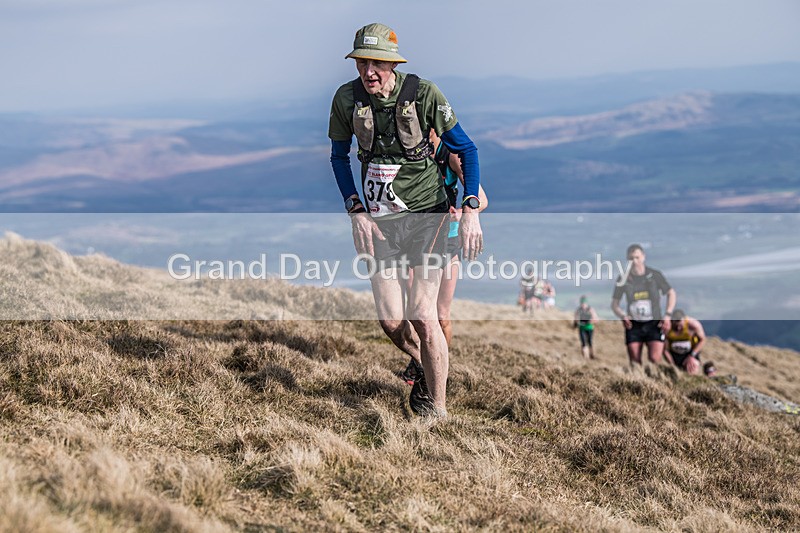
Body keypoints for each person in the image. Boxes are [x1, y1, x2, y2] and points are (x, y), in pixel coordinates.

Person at [328, 23, 483, 417]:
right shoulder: (346, 100)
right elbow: (338, 157)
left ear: (392, 63)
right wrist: (356, 210)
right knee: (390, 319)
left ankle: (439, 410)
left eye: (377, 62)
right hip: (380, 222)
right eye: (363, 62)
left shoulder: (425, 94)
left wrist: (469, 212)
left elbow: (467, 149)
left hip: (429, 217)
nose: (369, 71)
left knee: (424, 312)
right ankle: (424, 362)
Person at [401, 130, 488, 384]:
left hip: (448, 241)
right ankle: (420, 363)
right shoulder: (409, 151)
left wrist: (461, 214)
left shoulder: (450, 156)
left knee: (441, 314)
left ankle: (438, 372)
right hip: (416, 238)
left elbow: (481, 199)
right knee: (414, 309)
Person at [611, 244, 676, 368]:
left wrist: (668, 315)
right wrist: (623, 316)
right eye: (631, 259)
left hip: (654, 323)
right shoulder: (623, 278)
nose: (634, 261)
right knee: (635, 363)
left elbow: (671, 293)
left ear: (643, 257)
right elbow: (614, 304)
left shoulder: (655, 275)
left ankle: (657, 384)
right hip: (634, 325)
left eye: (637, 257)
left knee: (654, 359)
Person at [665, 309, 706, 375]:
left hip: (690, 352)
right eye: (676, 326)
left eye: (680, 325)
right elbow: (665, 350)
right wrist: (672, 364)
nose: (678, 328)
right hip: (674, 354)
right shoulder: (667, 327)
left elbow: (702, 340)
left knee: (692, 369)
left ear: (684, 320)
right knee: (675, 373)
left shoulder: (693, 325)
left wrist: (692, 356)